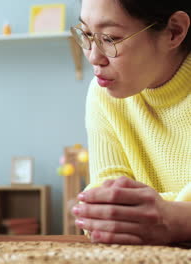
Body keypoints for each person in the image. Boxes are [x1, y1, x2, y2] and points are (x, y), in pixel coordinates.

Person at [70, 0, 190, 245]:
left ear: (174, 31)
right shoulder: (103, 94)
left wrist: (175, 218)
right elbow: (104, 210)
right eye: (87, 34)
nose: (94, 57)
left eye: (111, 39)